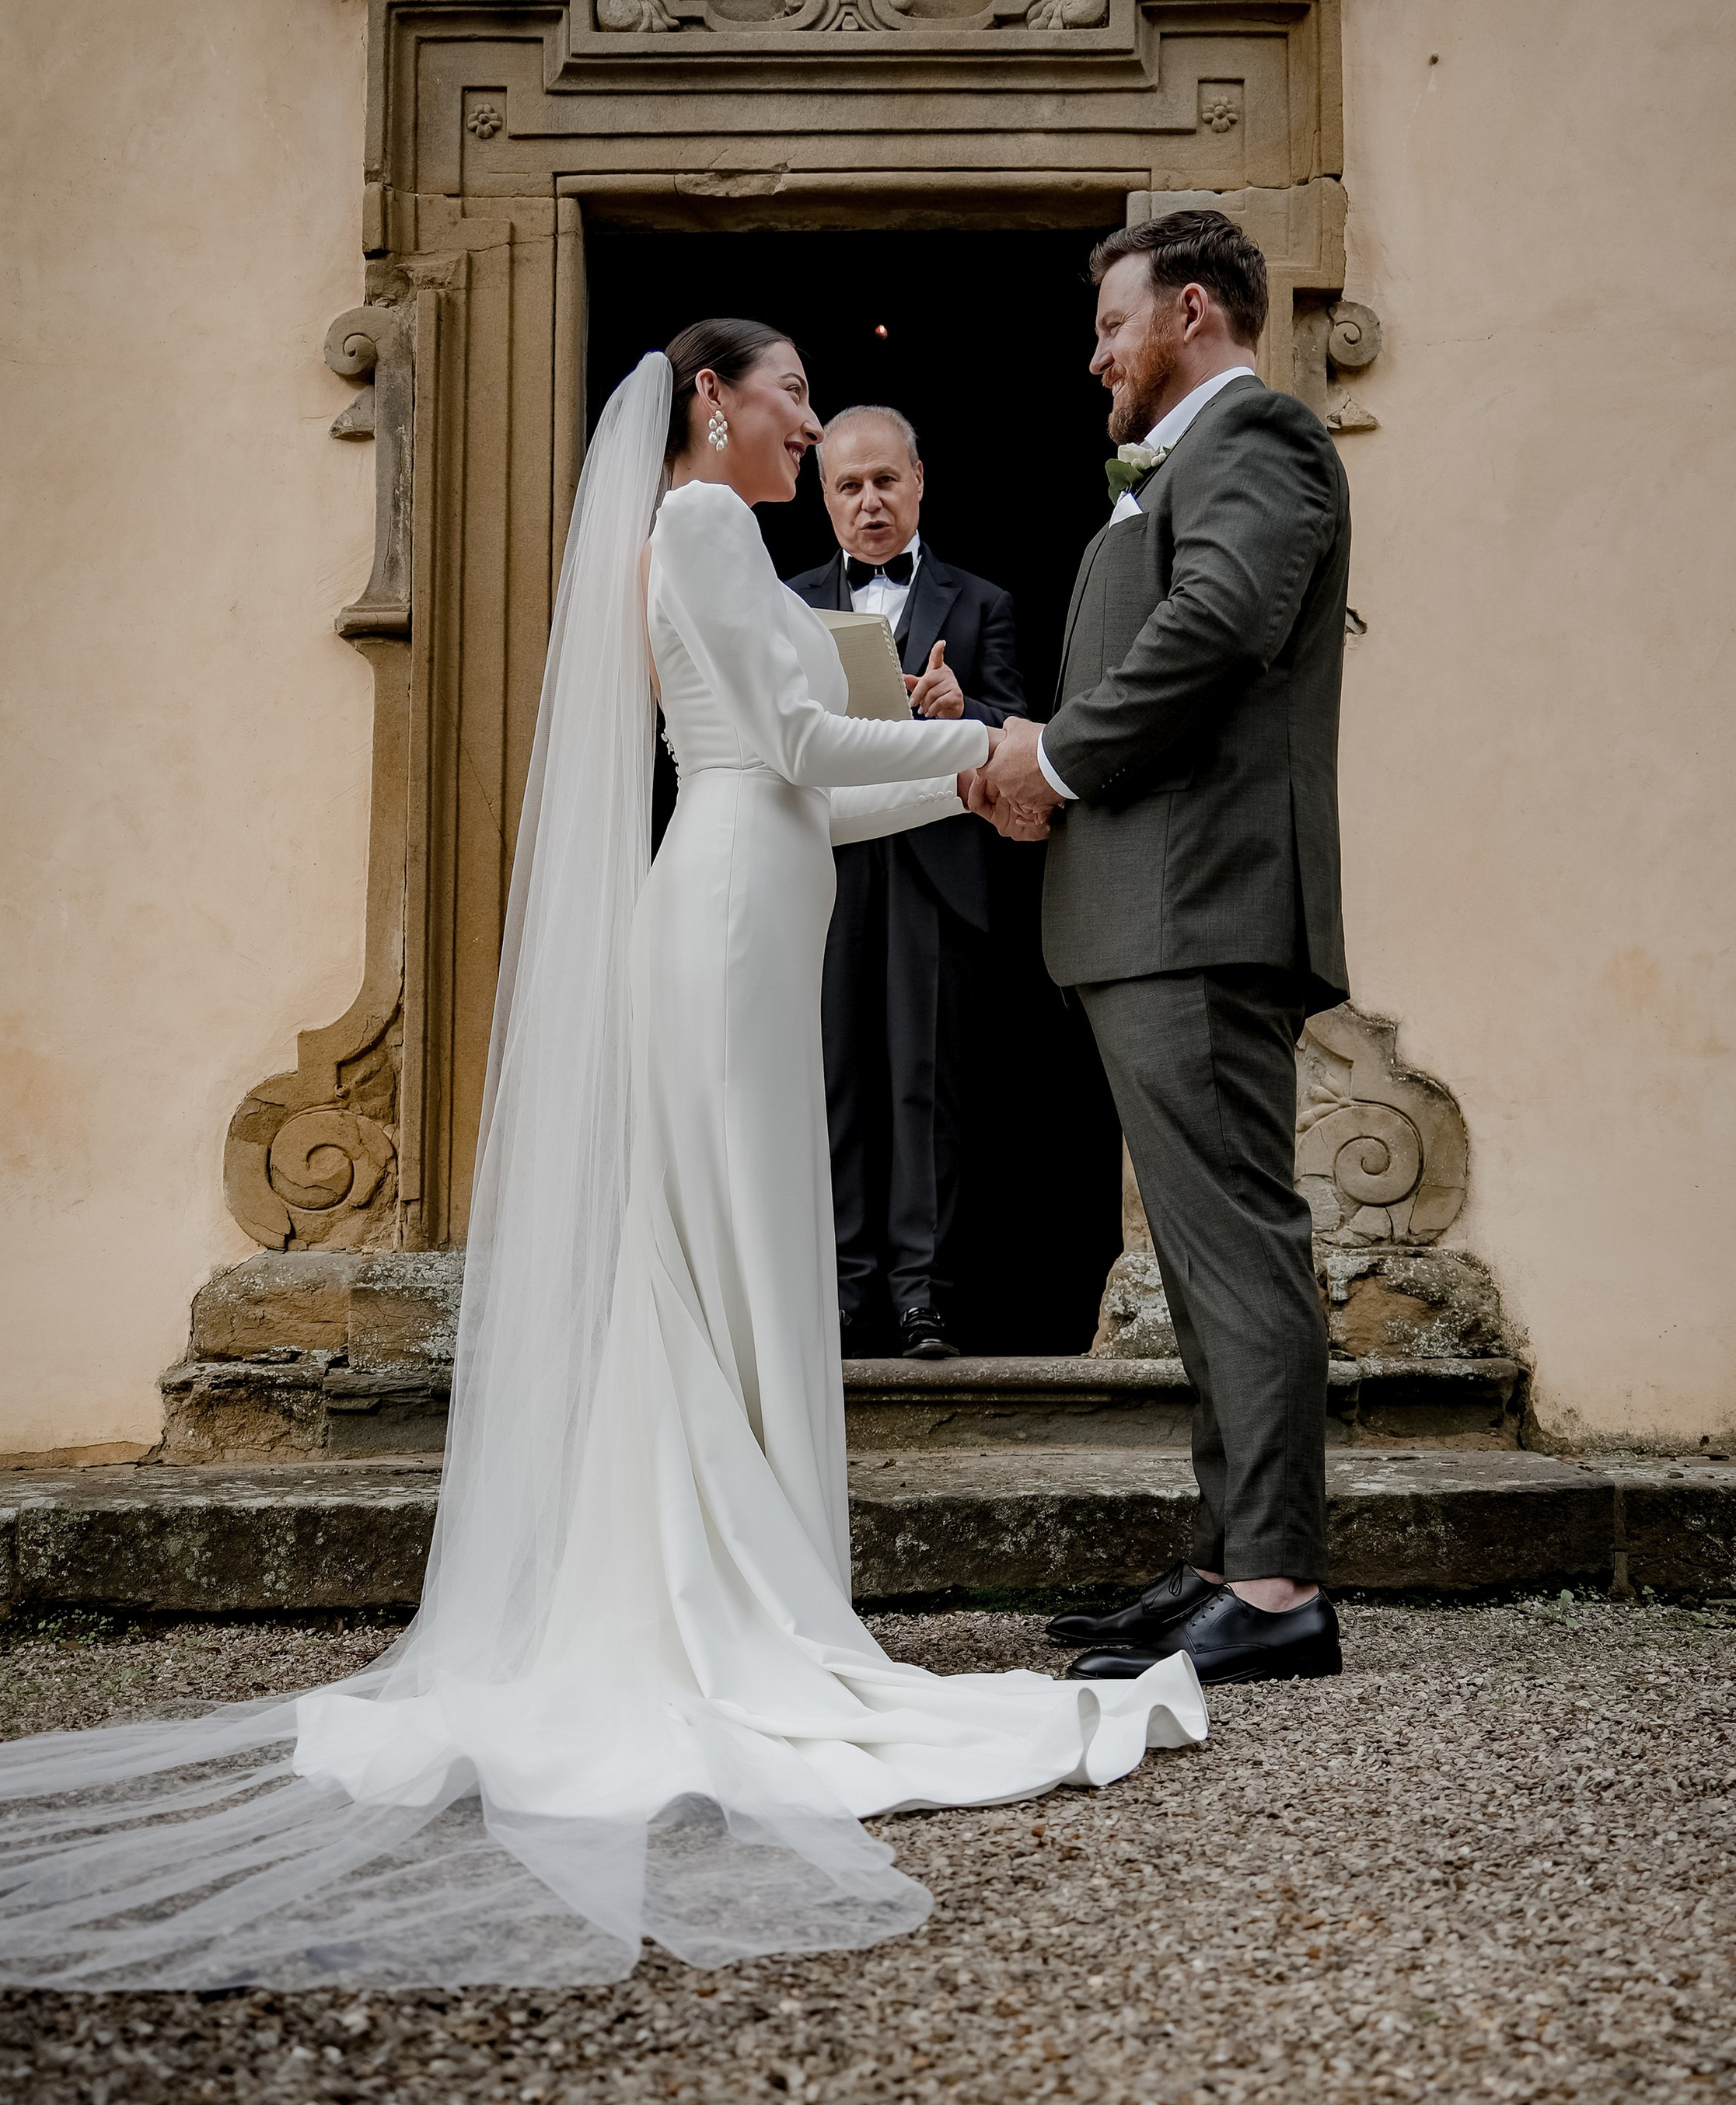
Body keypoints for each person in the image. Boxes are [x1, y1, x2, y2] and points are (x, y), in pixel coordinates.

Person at [0, 321, 1203, 1991]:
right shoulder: (705, 524)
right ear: (714, 402)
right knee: (727, 1253)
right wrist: (983, 753)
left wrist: (958, 782)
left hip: (747, 898)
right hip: (719, 930)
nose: (804, 428)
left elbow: (802, 789)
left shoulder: (713, 542)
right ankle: (738, 1607)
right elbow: (789, 760)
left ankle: (759, 1584)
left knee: (730, 1256)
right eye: (789, 397)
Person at [969, 210, 1352, 1689]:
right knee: (1204, 1260)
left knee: (1238, 1247)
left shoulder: (1259, 439)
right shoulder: (1184, 464)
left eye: (1113, 325)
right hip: (1152, 913)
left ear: (1192, 310)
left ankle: (1272, 1588)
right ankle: (1230, 1555)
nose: (1094, 355)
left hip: (1200, 907)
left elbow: (1216, 625)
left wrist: (1054, 767)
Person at [788, 405, 1028, 1359]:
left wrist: (965, 707)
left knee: (921, 1084)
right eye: (848, 486)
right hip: (826, 861)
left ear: (920, 481)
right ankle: (843, 1293)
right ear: (825, 499)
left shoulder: (982, 603)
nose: (870, 501)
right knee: (833, 1081)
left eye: (885, 480)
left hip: (934, 862)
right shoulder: (786, 599)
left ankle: (922, 1296)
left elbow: (1024, 725)